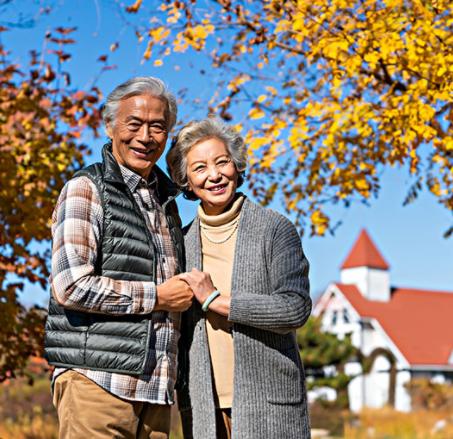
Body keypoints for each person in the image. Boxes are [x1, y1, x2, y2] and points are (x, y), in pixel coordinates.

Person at [44, 76, 193, 438]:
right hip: (98, 385)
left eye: (158, 126)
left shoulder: (165, 202)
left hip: (156, 391)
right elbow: (71, 286)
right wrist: (158, 296)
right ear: (110, 125)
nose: (145, 136)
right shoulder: (86, 189)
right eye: (134, 124)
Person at [166, 117, 312, 438]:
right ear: (186, 181)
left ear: (237, 166)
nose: (215, 175)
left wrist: (215, 300)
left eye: (222, 162)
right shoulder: (182, 241)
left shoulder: (274, 228)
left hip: (270, 405)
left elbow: (295, 308)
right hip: (204, 406)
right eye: (200, 168)